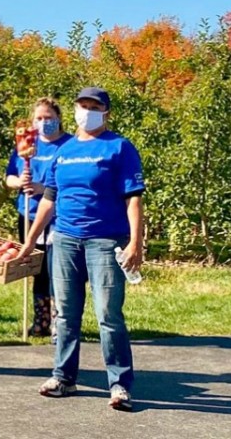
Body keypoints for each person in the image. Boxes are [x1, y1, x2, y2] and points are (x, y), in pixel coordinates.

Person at [15, 87, 144, 411]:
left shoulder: (119, 148)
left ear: (106, 112)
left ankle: (119, 384)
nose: (87, 111)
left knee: (107, 314)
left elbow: (134, 198)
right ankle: (63, 377)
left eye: (94, 106)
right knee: (66, 315)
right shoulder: (65, 150)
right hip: (65, 240)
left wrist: (135, 242)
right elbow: (49, 199)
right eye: (82, 105)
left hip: (105, 241)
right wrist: (31, 240)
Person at [6, 97, 72, 340]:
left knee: (58, 269)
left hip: (58, 217)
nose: (44, 123)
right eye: (39, 118)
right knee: (37, 269)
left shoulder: (69, 145)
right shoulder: (27, 144)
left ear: (58, 119)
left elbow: (68, 183)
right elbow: (9, 178)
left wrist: (42, 187)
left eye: (49, 118)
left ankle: (59, 322)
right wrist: (20, 183)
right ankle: (40, 321)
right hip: (29, 214)